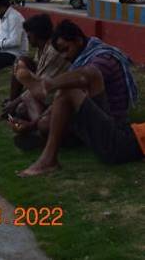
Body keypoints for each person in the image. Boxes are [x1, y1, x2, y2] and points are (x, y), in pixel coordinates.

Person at [15, 20, 141, 176]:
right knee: (57, 98)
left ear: (78, 41)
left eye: (65, 49)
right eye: (60, 52)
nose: (65, 56)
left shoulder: (104, 59)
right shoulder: (92, 57)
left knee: (57, 107)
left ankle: (48, 154)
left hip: (115, 137)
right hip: (117, 129)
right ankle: (47, 140)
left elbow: (85, 81)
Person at [2, 14, 70, 134]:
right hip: (47, 90)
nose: (27, 36)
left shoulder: (52, 51)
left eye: (29, 33)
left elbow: (40, 86)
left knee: (23, 104)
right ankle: (13, 108)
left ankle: (38, 129)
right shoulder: (41, 49)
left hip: (56, 94)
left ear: (36, 34)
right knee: (21, 62)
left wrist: (15, 102)